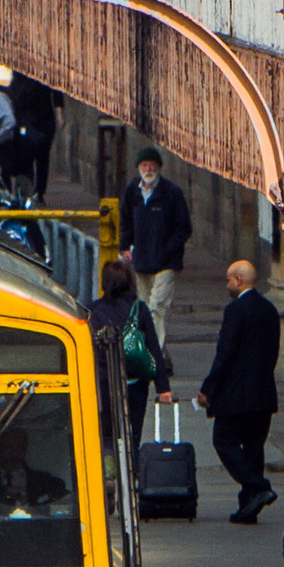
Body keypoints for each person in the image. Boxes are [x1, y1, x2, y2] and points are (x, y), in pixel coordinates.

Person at [196, 259, 282, 524]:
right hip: (264, 393)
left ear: (239, 280)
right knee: (254, 448)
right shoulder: (269, 309)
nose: (227, 285)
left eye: (228, 280)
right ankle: (249, 508)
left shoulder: (236, 310)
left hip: (236, 395)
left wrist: (208, 388)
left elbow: (226, 353)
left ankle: (258, 486)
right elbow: (273, 352)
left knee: (224, 441)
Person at [86, 258, 169, 441]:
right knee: (134, 433)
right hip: (135, 383)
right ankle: (134, 466)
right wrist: (163, 387)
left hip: (105, 383)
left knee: (107, 434)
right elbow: (153, 348)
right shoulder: (139, 309)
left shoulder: (93, 311)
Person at [122, 147, 191, 323]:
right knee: (144, 308)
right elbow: (126, 220)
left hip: (166, 262)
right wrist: (124, 246)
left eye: (152, 166)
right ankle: (150, 346)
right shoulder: (133, 190)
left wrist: (168, 250)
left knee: (157, 307)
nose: (148, 170)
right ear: (138, 167)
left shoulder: (171, 193)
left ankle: (155, 349)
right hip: (142, 260)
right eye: (144, 165)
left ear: (159, 168)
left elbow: (184, 227)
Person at [4, 73, 62, 202]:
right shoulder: (20, 76)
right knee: (27, 155)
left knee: (42, 156)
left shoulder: (46, 74)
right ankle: (27, 189)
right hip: (27, 120)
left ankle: (39, 191)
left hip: (44, 120)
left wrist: (59, 114)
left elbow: (57, 93)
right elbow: (13, 94)